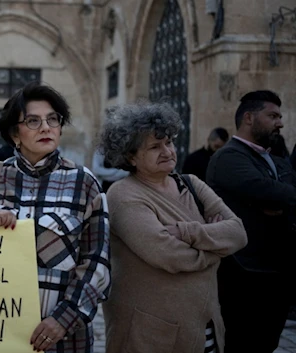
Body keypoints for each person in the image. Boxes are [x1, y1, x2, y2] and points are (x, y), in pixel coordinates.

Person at [0, 82, 111, 353]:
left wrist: (62, 320)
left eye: (53, 120)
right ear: (15, 133)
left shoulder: (85, 183)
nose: (46, 127)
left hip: (64, 340)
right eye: (33, 121)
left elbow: (97, 262)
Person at [100, 102, 247, 353]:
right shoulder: (123, 195)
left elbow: (238, 233)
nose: (167, 151)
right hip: (150, 334)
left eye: (168, 142)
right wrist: (216, 248)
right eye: (155, 147)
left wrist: (189, 233)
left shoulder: (191, 184)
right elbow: (168, 255)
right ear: (130, 156)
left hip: (205, 327)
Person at [207, 90, 296, 353]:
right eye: (272, 116)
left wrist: (279, 199)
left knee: (266, 343)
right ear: (248, 117)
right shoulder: (229, 157)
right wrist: (276, 198)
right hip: (243, 275)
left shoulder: (273, 158)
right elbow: (271, 191)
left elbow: (286, 190)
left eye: (279, 116)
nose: (280, 122)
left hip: (275, 272)